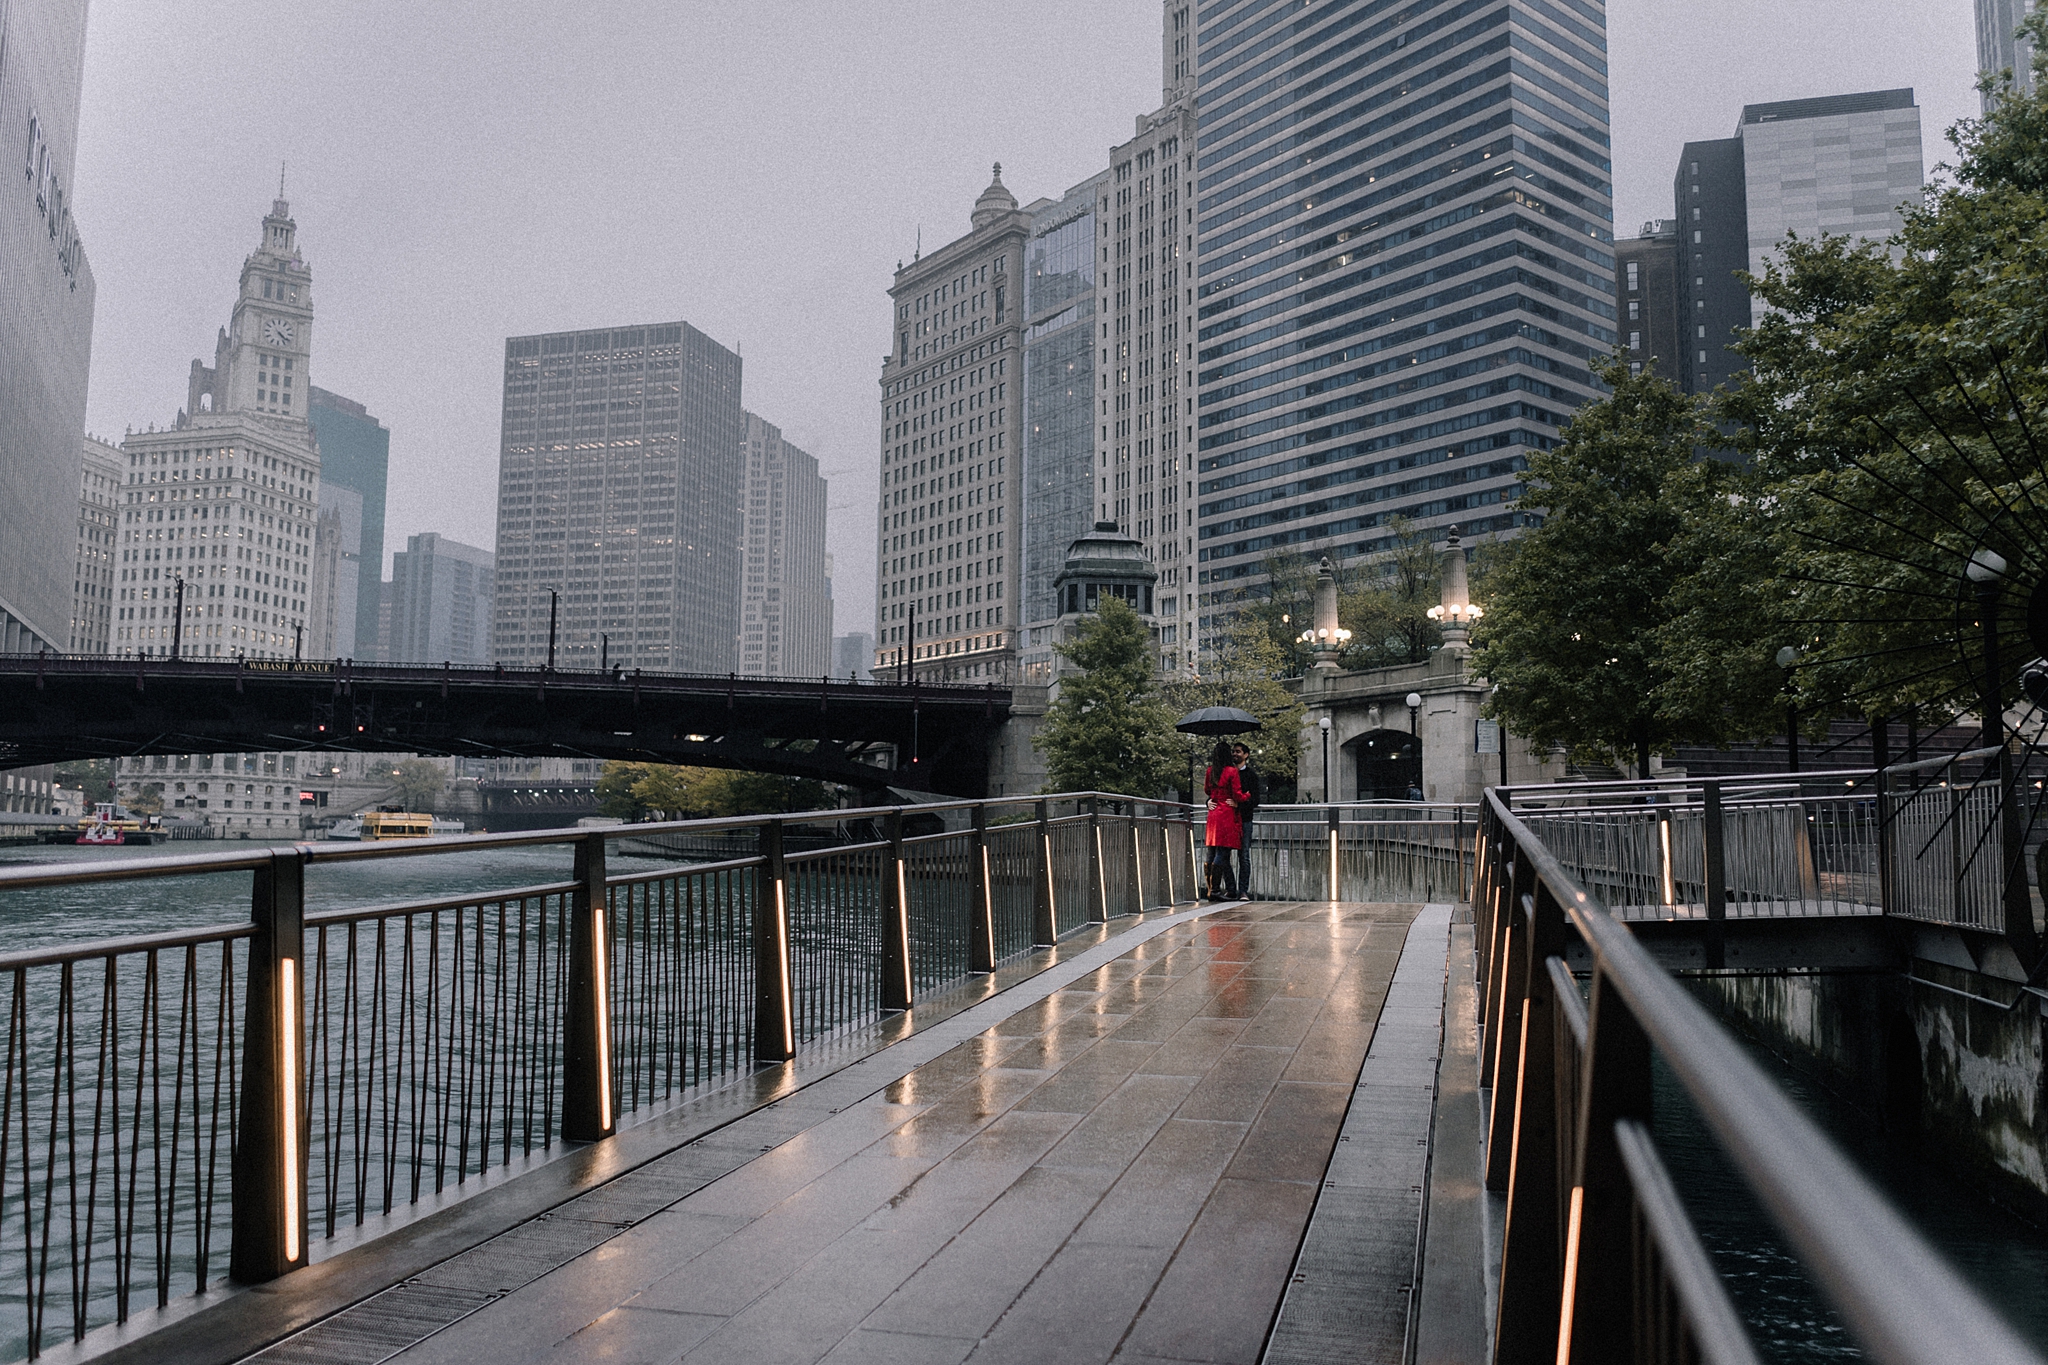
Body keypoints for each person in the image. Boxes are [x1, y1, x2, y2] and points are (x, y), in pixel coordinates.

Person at [1203, 740, 1247, 900]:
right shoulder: (1231, 771)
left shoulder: (1210, 771)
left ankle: (1216, 889)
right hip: (1227, 814)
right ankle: (1215, 891)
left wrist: (1211, 800)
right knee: (1223, 852)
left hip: (1213, 813)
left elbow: (1207, 789)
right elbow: (1237, 794)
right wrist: (1246, 796)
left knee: (1213, 851)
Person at [1231, 741, 1264, 899]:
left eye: (1238, 751)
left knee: (1243, 855)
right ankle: (1231, 888)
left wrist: (1240, 804)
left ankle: (1243, 890)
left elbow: (1255, 799)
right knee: (1224, 855)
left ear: (1246, 755)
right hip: (1229, 820)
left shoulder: (1251, 776)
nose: (1235, 754)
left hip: (1244, 819)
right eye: (1234, 751)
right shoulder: (1228, 773)